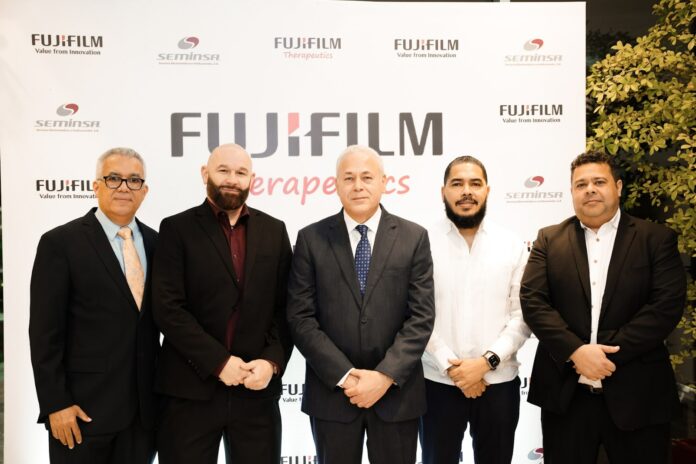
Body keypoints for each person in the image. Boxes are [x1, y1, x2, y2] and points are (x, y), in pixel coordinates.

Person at [520, 151, 686, 464]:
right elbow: (533, 301)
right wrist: (576, 352)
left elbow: (665, 307)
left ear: (618, 187)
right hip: (566, 397)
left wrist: (605, 356)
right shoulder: (548, 240)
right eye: (581, 184)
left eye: (599, 182)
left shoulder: (656, 239)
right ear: (572, 192)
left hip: (638, 395)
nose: (590, 190)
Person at [287, 144, 435, 464]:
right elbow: (300, 318)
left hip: (396, 396)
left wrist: (384, 377)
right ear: (336, 184)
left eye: (367, 177)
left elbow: (421, 317)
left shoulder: (414, 238)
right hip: (333, 396)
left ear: (384, 182)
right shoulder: (311, 239)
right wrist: (345, 376)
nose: (358, 186)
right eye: (349, 178)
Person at [152, 143, 293, 464]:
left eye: (241, 172)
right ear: (205, 174)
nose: (232, 179)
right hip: (190, 393)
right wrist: (218, 362)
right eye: (223, 170)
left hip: (256, 394)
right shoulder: (176, 229)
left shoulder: (275, 231)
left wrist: (270, 362)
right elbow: (168, 309)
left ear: (251, 179)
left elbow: (286, 308)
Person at [29, 147, 159, 464]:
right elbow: (45, 333)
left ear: (144, 191)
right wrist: (55, 403)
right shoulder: (60, 243)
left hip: (144, 417)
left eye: (134, 180)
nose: (124, 187)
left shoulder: (159, 243)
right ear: (96, 185)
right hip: (81, 414)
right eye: (114, 178)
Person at [420, 156, 531, 464]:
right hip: (437, 383)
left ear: (487, 191)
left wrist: (485, 363)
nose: (466, 191)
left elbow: (521, 316)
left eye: (475, 184)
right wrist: (452, 368)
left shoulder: (512, 245)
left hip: (498, 384)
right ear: (443, 191)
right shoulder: (421, 243)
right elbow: (416, 314)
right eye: (457, 184)